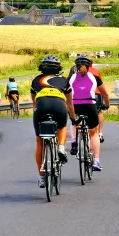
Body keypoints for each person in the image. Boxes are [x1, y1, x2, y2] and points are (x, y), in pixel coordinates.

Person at [31, 55, 76, 188]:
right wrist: (73, 119)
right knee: (62, 127)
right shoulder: (64, 80)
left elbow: (34, 103)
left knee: (39, 141)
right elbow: (70, 104)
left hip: (42, 106)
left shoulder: (36, 80)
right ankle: (61, 148)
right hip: (58, 105)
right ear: (58, 68)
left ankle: (42, 177)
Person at [68, 55, 110, 171]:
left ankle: (74, 141)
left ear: (76, 66)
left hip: (75, 105)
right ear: (89, 65)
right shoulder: (94, 77)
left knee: (74, 121)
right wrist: (107, 104)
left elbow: (66, 94)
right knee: (93, 133)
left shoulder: (71, 78)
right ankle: (96, 161)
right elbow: (105, 94)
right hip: (90, 105)